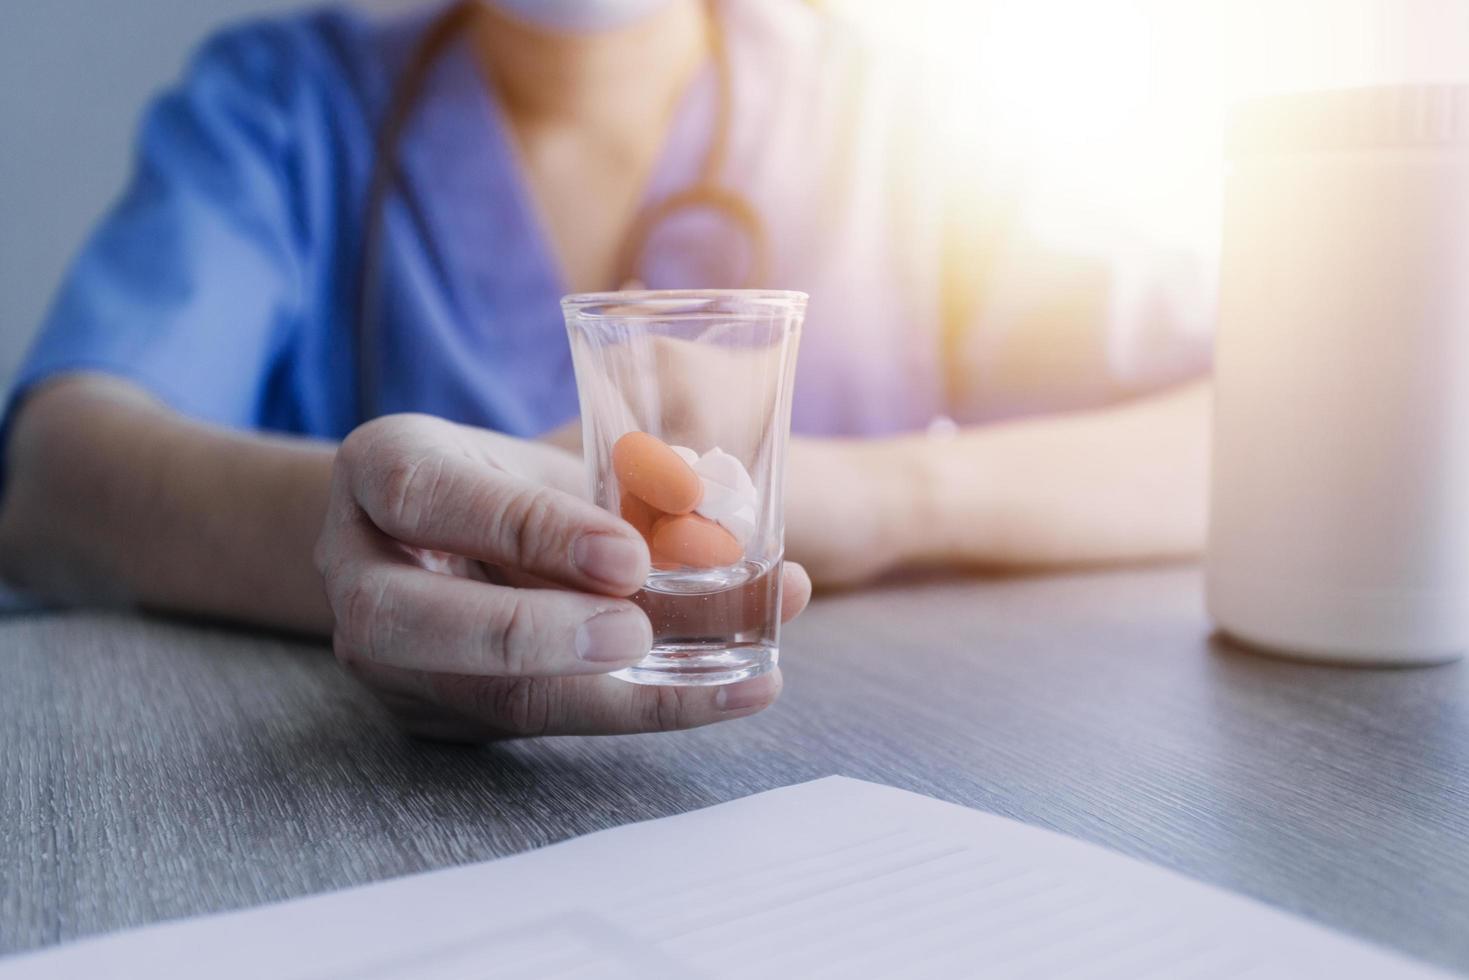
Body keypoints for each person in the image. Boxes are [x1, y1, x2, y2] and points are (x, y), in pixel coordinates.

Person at [0, 0, 1213, 741]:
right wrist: (356, 535)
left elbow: (1254, 424)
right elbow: (54, 478)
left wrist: (868, 500)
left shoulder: (896, 122)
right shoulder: (279, 106)